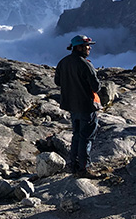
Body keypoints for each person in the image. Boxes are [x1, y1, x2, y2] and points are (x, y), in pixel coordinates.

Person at [55, 34, 101, 178]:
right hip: (86, 106)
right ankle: (84, 168)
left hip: (71, 106)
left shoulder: (63, 62)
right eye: (87, 46)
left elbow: (58, 82)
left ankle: (73, 166)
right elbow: (96, 87)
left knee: (76, 136)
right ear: (79, 47)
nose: (89, 48)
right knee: (86, 137)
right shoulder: (85, 64)